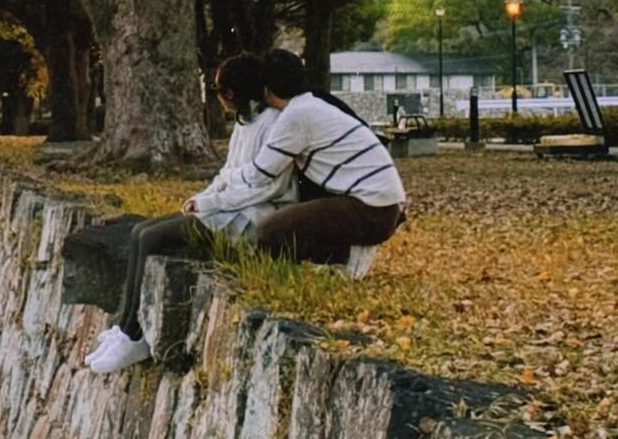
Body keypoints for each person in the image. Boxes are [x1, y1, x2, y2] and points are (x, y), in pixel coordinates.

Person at [86, 52, 297, 375]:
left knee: (152, 237)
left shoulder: (273, 125)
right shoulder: (244, 124)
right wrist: (203, 196)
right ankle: (123, 327)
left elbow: (267, 187)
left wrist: (211, 204)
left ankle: (132, 336)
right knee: (140, 232)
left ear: (230, 94)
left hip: (249, 218)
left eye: (218, 91)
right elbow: (228, 173)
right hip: (228, 209)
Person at [192, 48, 406, 271]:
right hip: (381, 204)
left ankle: (343, 254)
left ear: (267, 88)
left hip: (372, 209)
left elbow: (262, 174)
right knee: (281, 225)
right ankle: (336, 255)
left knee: (268, 231)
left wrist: (216, 192)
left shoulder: (296, 116)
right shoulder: (311, 104)